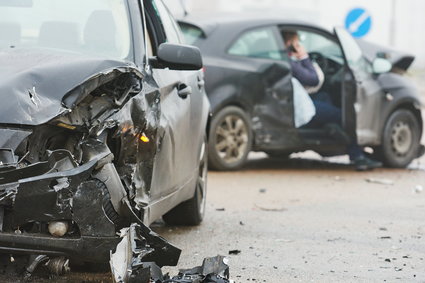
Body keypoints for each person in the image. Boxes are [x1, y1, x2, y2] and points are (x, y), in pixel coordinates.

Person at [282, 31, 382, 171]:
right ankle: (357, 155)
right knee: (344, 116)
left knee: (325, 97)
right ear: (289, 44)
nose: (299, 46)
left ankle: (330, 128)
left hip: (296, 101)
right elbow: (313, 79)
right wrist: (304, 57)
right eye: (297, 43)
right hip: (298, 107)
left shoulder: (283, 60)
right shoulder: (289, 62)